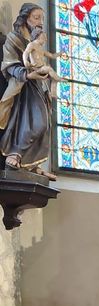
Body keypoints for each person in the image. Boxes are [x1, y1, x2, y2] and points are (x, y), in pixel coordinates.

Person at [0, 4, 54, 177]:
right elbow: (9, 65)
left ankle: (30, 164)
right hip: (22, 87)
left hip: (38, 86)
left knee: (45, 124)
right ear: (25, 18)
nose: (40, 22)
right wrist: (28, 74)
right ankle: (15, 152)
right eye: (36, 18)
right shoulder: (13, 39)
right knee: (36, 123)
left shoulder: (35, 41)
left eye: (42, 18)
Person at [22, 26, 61, 98]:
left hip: (43, 68)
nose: (45, 39)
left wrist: (60, 53)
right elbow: (26, 52)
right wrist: (25, 60)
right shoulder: (32, 44)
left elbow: (52, 56)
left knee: (54, 79)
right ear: (38, 37)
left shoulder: (41, 49)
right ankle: (59, 78)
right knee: (49, 69)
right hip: (37, 68)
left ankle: (53, 93)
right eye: (44, 37)